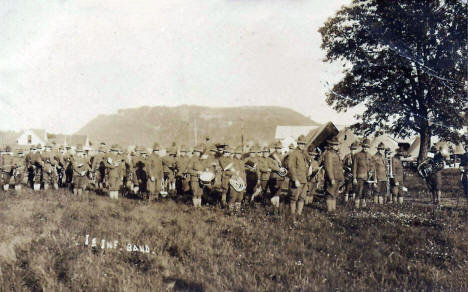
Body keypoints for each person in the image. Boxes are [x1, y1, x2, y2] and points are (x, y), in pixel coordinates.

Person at [287, 135, 309, 219]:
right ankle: (292, 216)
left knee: (302, 197)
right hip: (297, 180)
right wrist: (295, 179)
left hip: (304, 179)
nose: (302, 145)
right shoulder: (294, 153)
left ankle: (299, 214)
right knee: (294, 198)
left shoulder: (303, 153)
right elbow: (291, 167)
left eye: (304, 144)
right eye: (301, 144)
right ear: (298, 144)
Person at [323, 136, 344, 213]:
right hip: (332, 177)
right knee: (330, 193)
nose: (336, 146)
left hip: (337, 177)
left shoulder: (336, 154)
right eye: (334, 145)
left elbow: (340, 166)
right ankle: (329, 210)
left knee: (334, 194)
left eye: (337, 145)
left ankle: (333, 210)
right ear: (331, 145)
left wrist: (341, 177)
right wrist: (331, 178)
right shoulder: (328, 154)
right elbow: (328, 167)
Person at [352, 138, 374, 209]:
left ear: (369, 148)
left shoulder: (370, 156)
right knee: (359, 191)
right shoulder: (357, 155)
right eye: (364, 146)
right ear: (362, 147)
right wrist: (354, 178)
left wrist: (371, 171)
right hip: (359, 177)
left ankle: (364, 206)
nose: (365, 148)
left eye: (367, 147)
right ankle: (356, 206)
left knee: (365, 192)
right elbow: (354, 167)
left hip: (367, 178)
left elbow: (372, 166)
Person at [460, 142, 468, 210]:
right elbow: (461, 165)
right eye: (466, 147)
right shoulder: (464, 155)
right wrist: (462, 169)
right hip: (465, 175)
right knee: (466, 190)